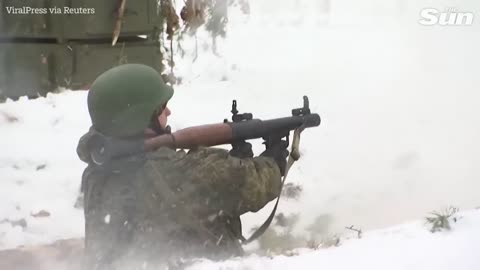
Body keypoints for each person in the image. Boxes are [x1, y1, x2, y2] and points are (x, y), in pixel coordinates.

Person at [77, 64, 288, 269]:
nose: (168, 111)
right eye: (160, 107)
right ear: (140, 118)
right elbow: (252, 183)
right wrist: (273, 161)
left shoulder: (98, 169)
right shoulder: (179, 170)